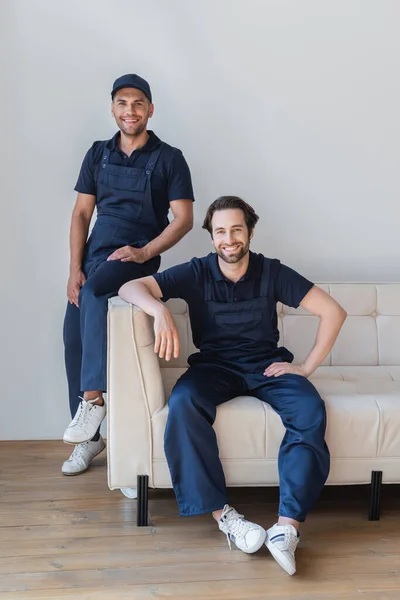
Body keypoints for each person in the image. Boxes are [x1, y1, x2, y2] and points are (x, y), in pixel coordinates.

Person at [119, 196, 347, 575]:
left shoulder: (272, 271)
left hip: (265, 365)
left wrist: (304, 367)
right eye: (221, 231)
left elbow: (333, 311)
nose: (229, 238)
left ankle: (286, 528)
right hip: (214, 367)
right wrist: (158, 310)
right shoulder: (195, 272)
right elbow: (132, 286)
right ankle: (225, 517)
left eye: (236, 230)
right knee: (184, 403)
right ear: (212, 237)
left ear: (250, 233)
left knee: (309, 408)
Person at [62, 74, 194, 476]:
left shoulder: (169, 157)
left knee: (99, 288)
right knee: (73, 337)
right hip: (97, 255)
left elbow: (184, 219)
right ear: (113, 108)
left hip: (135, 256)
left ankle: (95, 403)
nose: (130, 111)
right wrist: (74, 269)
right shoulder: (97, 154)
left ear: (150, 109)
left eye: (138, 103)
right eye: (122, 103)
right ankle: (91, 439)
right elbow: (83, 214)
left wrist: (144, 250)